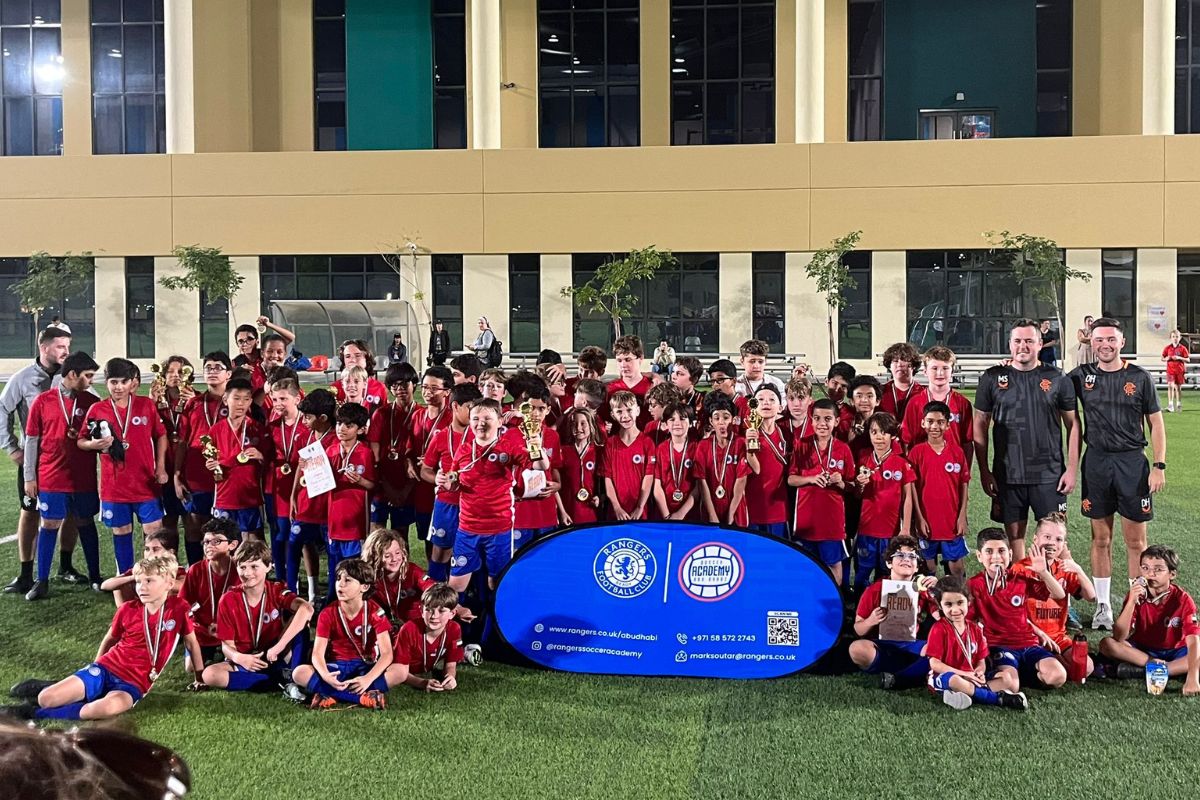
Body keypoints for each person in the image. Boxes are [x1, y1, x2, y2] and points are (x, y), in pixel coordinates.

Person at [4, 555, 204, 721]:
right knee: (47, 698)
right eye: (138, 582)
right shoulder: (127, 609)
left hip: (133, 683)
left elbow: (192, 643)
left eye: (149, 581)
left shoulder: (178, 609)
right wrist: (96, 666)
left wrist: (199, 677)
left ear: (169, 583)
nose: (141, 587)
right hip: (107, 668)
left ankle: (30, 713)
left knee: (99, 710)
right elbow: (110, 640)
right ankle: (49, 688)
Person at [1068, 318, 1166, 631]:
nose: (1105, 345)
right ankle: (1103, 607)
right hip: (1096, 462)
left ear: (1122, 342)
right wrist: (1011, 366)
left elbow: (1156, 423)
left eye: (1111, 339)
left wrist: (1158, 464)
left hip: (1132, 464)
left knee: (1136, 542)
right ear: (1090, 343)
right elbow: (1043, 384)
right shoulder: (1081, 377)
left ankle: (1135, 605)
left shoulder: (1139, 376)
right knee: (1101, 538)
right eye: (1099, 340)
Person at [973, 319, 1079, 562]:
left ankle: (1059, 597)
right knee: (1015, 539)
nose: (1023, 346)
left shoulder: (1057, 378)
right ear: (1010, 345)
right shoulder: (992, 378)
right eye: (1018, 341)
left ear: (1040, 344)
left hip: (1049, 474)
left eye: (1029, 341)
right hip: (1008, 475)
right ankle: (1021, 594)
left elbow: (1073, 425)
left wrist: (1071, 469)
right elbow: (980, 424)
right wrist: (984, 471)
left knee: (1055, 539)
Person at [445, 399, 549, 595]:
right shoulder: (464, 449)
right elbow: (454, 482)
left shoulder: (508, 447)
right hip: (468, 528)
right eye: (475, 418)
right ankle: (456, 623)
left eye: (487, 418)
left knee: (497, 583)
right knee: (456, 585)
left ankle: (493, 624)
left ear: (500, 421)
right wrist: (448, 481)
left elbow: (541, 466)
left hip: (498, 529)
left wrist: (537, 446)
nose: (480, 423)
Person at [22, 352, 103, 599]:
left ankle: (95, 576)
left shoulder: (92, 402)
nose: (91, 381)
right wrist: (29, 477)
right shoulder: (43, 401)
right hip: (51, 476)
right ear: (71, 375)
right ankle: (42, 580)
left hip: (83, 478)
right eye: (87, 376)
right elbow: (32, 441)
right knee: (49, 524)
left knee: (85, 522)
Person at [1, 325, 72, 596]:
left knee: (73, 512)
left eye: (68, 346)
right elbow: (2, 409)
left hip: (67, 461)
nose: (66, 351)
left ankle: (65, 567)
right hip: (34, 459)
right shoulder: (22, 378)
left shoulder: (70, 376)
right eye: (60, 346)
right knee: (30, 511)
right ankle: (25, 574)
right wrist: (11, 448)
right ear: (44, 348)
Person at [81, 358, 168, 575]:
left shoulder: (145, 405)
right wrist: (93, 444)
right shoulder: (97, 409)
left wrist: (161, 467)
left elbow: (161, 435)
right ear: (106, 383)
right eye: (113, 382)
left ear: (132, 383)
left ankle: (155, 576)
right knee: (121, 531)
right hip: (114, 486)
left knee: (154, 531)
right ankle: (127, 578)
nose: (118, 387)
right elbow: (81, 441)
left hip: (146, 483)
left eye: (123, 382)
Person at [201, 539, 313, 695]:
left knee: (302, 626)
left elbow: (306, 609)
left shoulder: (276, 590)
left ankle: (290, 675)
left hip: (276, 654)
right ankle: (281, 681)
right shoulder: (228, 599)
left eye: (254, 566)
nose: (247, 573)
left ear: (268, 566)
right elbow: (226, 646)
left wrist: (278, 647)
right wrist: (240, 658)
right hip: (248, 659)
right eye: (243, 567)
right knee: (209, 675)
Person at [968, 528, 1068, 691]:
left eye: (1001, 551)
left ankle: (1020, 674)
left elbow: (1059, 594)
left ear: (1010, 553)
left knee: (1058, 676)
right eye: (989, 551)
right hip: (999, 645)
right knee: (1012, 686)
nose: (996, 557)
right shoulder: (974, 585)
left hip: (1028, 643)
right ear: (979, 556)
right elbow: (969, 620)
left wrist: (1043, 572)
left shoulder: (1020, 579)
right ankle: (1002, 678)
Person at [291, 557, 397, 710]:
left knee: (398, 672)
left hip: (364, 665)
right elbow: (317, 654)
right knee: (299, 673)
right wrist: (326, 675)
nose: (340, 584)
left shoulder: (375, 611)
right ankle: (363, 697)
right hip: (336, 666)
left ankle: (328, 693)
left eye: (348, 580)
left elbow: (387, 653)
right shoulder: (328, 613)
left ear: (364, 587)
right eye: (338, 578)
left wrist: (367, 678)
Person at [1098, 545, 1200, 694]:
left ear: (1172, 574)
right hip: (1143, 650)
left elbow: (1193, 640)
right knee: (1107, 644)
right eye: (1145, 568)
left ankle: (1148, 670)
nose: (1150, 574)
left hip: (1176, 650)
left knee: (1197, 649)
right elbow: (1119, 636)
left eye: (1158, 569)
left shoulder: (1183, 599)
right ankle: (1160, 667)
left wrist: (1193, 678)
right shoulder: (1136, 594)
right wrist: (1132, 601)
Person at [926, 575, 1028, 711]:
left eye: (960, 603)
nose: (955, 610)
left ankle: (965, 695)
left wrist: (979, 672)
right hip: (946, 676)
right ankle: (999, 699)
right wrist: (963, 674)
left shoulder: (975, 628)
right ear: (940, 605)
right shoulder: (938, 628)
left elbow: (981, 661)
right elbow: (935, 664)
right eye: (948, 605)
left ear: (968, 602)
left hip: (970, 677)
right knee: (955, 681)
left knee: (1006, 678)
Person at [848, 535, 938, 689]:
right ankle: (914, 672)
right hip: (881, 643)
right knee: (856, 649)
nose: (906, 559)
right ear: (889, 563)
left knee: (939, 650)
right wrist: (871, 620)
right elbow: (858, 629)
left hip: (911, 644)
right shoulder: (874, 589)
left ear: (917, 566)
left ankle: (899, 678)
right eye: (900, 555)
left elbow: (942, 618)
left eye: (912, 556)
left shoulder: (922, 589)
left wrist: (938, 591)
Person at [1015, 514, 1095, 680]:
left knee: (1086, 668)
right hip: (1031, 637)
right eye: (1047, 537)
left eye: (1058, 539)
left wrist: (1078, 569)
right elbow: (1013, 611)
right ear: (1035, 539)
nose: (1052, 542)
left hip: (1058, 636)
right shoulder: (1020, 568)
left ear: (1063, 545)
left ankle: (1055, 662)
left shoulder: (1064, 567)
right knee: (1059, 675)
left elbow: (1091, 596)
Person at [789, 398, 854, 583]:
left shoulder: (843, 449)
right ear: (811, 420)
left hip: (832, 522)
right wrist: (811, 478)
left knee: (833, 563)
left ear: (836, 421)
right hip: (806, 520)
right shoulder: (801, 445)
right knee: (805, 564)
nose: (822, 424)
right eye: (817, 418)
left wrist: (840, 482)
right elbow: (791, 479)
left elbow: (851, 486)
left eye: (827, 419)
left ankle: (835, 607)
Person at [175, 351, 232, 565]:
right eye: (208, 367)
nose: (212, 371)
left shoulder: (236, 402)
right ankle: (195, 570)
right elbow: (182, 442)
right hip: (197, 474)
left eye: (218, 367)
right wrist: (177, 475)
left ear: (229, 373)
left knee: (225, 528)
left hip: (227, 474)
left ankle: (224, 573)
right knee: (194, 525)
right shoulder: (193, 404)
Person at [420, 383, 480, 581]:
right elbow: (425, 470)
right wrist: (435, 478)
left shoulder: (480, 436)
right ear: (455, 407)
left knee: (469, 552)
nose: (474, 414)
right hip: (446, 503)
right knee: (441, 551)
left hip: (473, 504)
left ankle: (465, 598)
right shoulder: (440, 437)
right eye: (470, 408)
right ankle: (434, 594)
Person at [853, 412, 915, 589]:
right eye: (874, 432)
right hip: (867, 529)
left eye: (883, 432)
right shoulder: (863, 457)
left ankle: (883, 611)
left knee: (886, 574)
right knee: (862, 572)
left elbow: (908, 498)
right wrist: (859, 485)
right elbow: (857, 495)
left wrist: (905, 528)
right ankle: (859, 608)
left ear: (892, 435)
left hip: (892, 531)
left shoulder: (902, 463)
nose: (879, 437)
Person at [909, 401, 970, 577]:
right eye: (930, 421)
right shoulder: (916, 452)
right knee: (927, 569)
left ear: (948, 424)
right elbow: (912, 488)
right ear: (923, 423)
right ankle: (930, 603)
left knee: (956, 568)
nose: (935, 426)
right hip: (927, 521)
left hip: (951, 522)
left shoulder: (957, 452)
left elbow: (964, 485)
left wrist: (962, 517)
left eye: (940, 422)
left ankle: (958, 601)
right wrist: (918, 519)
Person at [207, 376, 272, 541]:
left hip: (251, 496)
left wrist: (261, 456)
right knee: (224, 541)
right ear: (225, 399)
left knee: (254, 542)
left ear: (251, 401)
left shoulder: (258, 429)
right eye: (236, 398)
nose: (241, 404)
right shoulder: (215, 431)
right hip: (224, 496)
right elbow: (211, 461)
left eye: (246, 399)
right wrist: (212, 464)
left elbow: (270, 462)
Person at [289, 389, 337, 598]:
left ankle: (332, 596)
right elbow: (300, 466)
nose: (304, 421)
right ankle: (305, 592)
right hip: (305, 503)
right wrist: (293, 495)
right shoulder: (305, 436)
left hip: (327, 506)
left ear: (323, 418)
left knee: (332, 550)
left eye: (308, 417)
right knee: (297, 544)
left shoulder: (337, 438)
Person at [325, 402, 376, 596]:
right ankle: (332, 600)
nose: (342, 429)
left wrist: (361, 481)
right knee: (334, 566)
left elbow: (373, 485)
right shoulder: (330, 452)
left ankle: (355, 600)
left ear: (361, 429)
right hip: (334, 520)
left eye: (348, 425)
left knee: (353, 569)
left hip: (355, 523)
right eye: (339, 423)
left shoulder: (365, 453)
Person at [508, 374, 563, 541]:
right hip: (520, 510)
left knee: (545, 557)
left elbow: (554, 467)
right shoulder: (510, 435)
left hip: (545, 509)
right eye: (531, 408)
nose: (536, 413)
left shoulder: (553, 436)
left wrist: (558, 485)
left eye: (541, 409)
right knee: (518, 557)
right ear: (524, 408)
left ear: (548, 409)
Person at [368, 363, 420, 538]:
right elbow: (374, 454)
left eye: (404, 384)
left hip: (408, 484)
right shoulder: (381, 414)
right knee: (376, 531)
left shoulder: (421, 414)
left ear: (414, 384)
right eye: (394, 385)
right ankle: (374, 566)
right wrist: (385, 485)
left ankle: (402, 566)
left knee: (401, 533)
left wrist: (405, 490)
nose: (399, 389)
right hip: (382, 482)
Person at [179, 517, 241, 664]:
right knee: (190, 667)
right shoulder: (196, 570)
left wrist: (225, 626)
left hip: (234, 631)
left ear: (232, 544)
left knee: (235, 663)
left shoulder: (241, 570)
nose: (209, 546)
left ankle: (224, 653)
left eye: (217, 541)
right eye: (206, 542)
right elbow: (182, 605)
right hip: (203, 631)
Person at [900, 346, 973, 465]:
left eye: (945, 368)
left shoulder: (963, 403)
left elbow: (967, 443)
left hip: (952, 468)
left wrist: (965, 474)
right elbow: (906, 441)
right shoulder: (915, 402)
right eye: (934, 368)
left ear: (952, 371)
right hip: (922, 467)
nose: (940, 373)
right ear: (925, 372)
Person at [391, 583, 466, 693]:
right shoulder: (409, 629)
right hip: (393, 664)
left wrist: (450, 677)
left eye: (441, 611)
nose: (434, 616)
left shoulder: (454, 629)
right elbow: (398, 671)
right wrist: (422, 683)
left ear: (452, 613)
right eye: (429, 609)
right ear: (421, 610)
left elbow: (450, 664)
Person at [268, 377, 307, 578]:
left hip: (303, 490)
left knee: (299, 539)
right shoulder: (273, 426)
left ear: (297, 399)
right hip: (280, 490)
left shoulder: (307, 425)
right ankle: (283, 582)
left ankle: (302, 584)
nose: (278, 404)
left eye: (283, 399)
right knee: (281, 536)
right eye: (274, 400)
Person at [695, 393, 749, 526]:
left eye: (726, 417)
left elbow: (741, 481)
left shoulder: (740, 443)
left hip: (736, 511)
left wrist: (731, 513)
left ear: (734, 419)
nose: (721, 422)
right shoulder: (703, 445)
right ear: (710, 421)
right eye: (716, 418)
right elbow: (702, 482)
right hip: (709, 510)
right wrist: (712, 516)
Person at [743, 385, 789, 537]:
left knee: (777, 555)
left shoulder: (786, 434)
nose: (766, 403)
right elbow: (756, 470)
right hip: (752, 506)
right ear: (753, 406)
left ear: (780, 407)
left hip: (778, 508)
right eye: (760, 399)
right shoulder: (748, 434)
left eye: (771, 399)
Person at [603, 391, 656, 521]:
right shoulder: (609, 444)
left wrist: (640, 507)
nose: (625, 416)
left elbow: (648, 477)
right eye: (619, 412)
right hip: (615, 513)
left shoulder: (647, 443)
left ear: (637, 410)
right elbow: (607, 478)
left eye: (629, 410)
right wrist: (616, 507)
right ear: (612, 415)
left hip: (640, 513)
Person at [652, 403, 699, 521]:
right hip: (663, 514)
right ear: (666, 424)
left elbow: (699, 487)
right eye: (672, 419)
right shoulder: (660, 449)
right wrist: (666, 516)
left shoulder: (698, 448)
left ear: (691, 422)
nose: (677, 423)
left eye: (683, 419)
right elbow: (657, 486)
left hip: (691, 514)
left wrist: (680, 514)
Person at [560, 407, 604, 526]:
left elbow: (605, 481)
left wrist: (600, 497)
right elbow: (556, 482)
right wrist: (561, 511)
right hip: (568, 512)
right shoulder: (563, 451)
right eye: (574, 424)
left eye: (583, 423)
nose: (578, 428)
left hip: (591, 512)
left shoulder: (599, 451)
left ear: (591, 425)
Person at [607, 335, 653, 428]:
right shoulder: (610, 388)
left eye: (628, 360)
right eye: (619, 360)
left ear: (640, 358)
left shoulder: (652, 386)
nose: (623, 365)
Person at [332, 340, 387, 408]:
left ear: (367, 358)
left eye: (357, 355)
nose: (353, 360)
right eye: (347, 356)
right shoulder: (335, 387)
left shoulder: (379, 387)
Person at [879, 342, 923, 421]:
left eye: (904, 360)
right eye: (895, 361)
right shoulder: (880, 391)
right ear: (889, 366)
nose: (899, 364)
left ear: (913, 365)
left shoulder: (923, 393)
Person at [232, 316, 296, 368]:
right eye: (241, 341)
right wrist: (239, 371)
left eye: (249, 339)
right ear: (237, 344)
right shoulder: (236, 362)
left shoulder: (266, 353)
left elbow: (291, 337)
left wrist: (269, 325)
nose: (245, 343)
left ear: (257, 341)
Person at [1162, 329, 1190, 413]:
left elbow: (1188, 359)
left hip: (1179, 371)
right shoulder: (1167, 348)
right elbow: (1162, 358)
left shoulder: (1183, 348)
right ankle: (1170, 405)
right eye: (1173, 337)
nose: (1175, 338)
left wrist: (1179, 358)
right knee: (1170, 386)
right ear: (1171, 338)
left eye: (1177, 337)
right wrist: (1166, 358)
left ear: (1180, 338)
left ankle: (1178, 404)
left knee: (1178, 388)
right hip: (1170, 370)